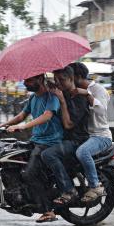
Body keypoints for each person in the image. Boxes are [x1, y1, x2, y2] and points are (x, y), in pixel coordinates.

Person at [0, 74, 63, 223]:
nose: (25, 83)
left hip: (50, 142)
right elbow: (22, 115)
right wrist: (1, 126)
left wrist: (23, 127)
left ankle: (48, 211)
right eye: (25, 80)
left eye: (29, 80)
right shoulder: (33, 98)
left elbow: (47, 116)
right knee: (11, 161)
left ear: (40, 79)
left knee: (29, 174)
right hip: (36, 140)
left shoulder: (51, 96)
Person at [41, 66, 90, 205]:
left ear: (71, 78)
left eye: (62, 80)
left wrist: (62, 101)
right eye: (56, 80)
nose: (59, 83)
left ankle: (69, 190)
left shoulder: (79, 97)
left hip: (76, 140)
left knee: (48, 155)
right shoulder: (63, 93)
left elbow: (68, 124)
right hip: (61, 138)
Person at [69, 62, 112, 202]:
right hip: (85, 136)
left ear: (78, 76)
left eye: (70, 77)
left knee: (82, 152)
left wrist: (87, 94)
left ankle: (95, 186)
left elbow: (101, 112)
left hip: (100, 137)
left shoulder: (98, 89)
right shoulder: (74, 91)